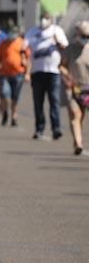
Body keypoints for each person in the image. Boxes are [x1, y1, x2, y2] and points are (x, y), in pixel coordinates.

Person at [25, 11, 69, 140]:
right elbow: (25, 48)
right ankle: (39, 129)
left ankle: (56, 128)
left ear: (51, 20)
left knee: (54, 100)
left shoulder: (57, 30)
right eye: (43, 18)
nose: (44, 20)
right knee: (38, 102)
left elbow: (65, 47)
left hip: (53, 72)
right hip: (37, 72)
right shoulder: (32, 32)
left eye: (47, 18)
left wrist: (57, 41)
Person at [60, 20, 89, 155]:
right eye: (83, 35)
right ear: (78, 34)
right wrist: (67, 77)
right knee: (75, 114)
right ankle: (78, 143)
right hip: (74, 88)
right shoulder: (70, 49)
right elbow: (61, 65)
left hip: (87, 89)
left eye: (87, 36)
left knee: (82, 116)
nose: (85, 39)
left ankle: (78, 138)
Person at [0, 26, 30, 127]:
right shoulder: (3, 43)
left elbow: (28, 59)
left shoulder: (22, 43)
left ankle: (14, 116)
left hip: (18, 74)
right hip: (5, 74)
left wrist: (27, 73)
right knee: (5, 94)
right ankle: (5, 111)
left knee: (15, 97)